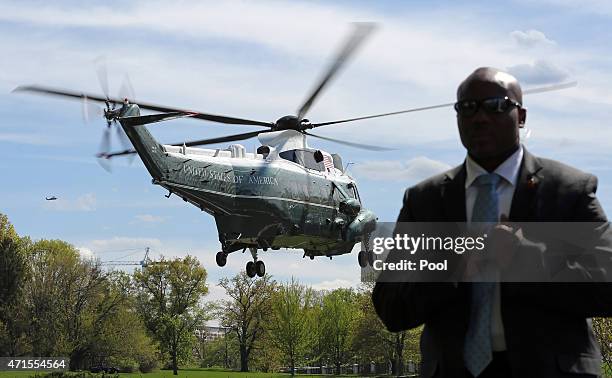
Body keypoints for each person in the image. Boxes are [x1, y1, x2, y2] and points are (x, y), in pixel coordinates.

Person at [372, 67, 612, 377]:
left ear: (521, 116)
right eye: (468, 108)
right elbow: (391, 307)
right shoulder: (425, 201)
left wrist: (526, 258)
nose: (480, 118)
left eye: (497, 105)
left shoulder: (567, 191)